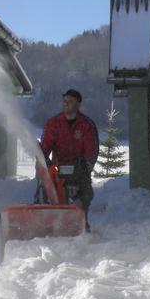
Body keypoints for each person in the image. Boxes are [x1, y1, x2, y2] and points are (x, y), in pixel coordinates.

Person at [39, 89, 99, 230]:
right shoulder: (53, 124)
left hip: (79, 169)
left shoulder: (86, 125)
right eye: (64, 101)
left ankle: (81, 225)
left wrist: (86, 167)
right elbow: (45, 146)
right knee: (49, 192)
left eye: (70, 101)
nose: (66, 104)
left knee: (84, 195)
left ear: (78, 104)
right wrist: (43, 162)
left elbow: (92, 149)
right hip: (57, 167)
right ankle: (52, 225)